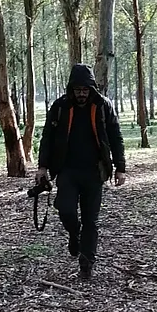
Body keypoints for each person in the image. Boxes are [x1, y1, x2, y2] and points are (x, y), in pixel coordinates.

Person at [34, 63, 126, 281]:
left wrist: (120, 168)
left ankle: (86, 264)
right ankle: (74, 235)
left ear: (92, 89)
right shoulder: (60, 107)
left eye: (85, 90)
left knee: (90, 221)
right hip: (67, 171)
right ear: (71, 89)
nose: (82, 94)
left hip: (95, 172)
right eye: (78, 90)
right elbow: (47, 137)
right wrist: (42, 167)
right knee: (66, 210)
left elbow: (116, 138)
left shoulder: (103, 106)